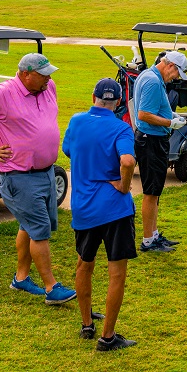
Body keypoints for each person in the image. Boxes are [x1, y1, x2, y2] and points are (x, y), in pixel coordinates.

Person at [0, 52, 76, 306]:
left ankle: (21, 278)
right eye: (42, 75)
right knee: (40, 232)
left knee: (28, 226)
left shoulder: (48, 87)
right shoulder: (1, 94)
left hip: (45, 172)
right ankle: (51, 287)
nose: (48, 79)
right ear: (25, 74)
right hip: (19, 176)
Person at [63, 78, 139, 351]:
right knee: (116, 272)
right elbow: (128, 160)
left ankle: (86, 324)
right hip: (115, 210)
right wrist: (123, 184)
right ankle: (107, 337)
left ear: (93, 96)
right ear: (118, 102)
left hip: (84, 208)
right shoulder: (122, 129)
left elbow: (69, 150)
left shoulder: (76, 121)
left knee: (85, 264)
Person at [132, 49, 187, 253]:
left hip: (153, 139)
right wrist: (170, 122)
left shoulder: (150, 76)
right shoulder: (153, 81)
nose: (175, 78)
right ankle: (148, 240)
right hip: (151, 141)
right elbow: (144, 114)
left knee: (156, 192)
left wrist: (172, 115)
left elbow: (155, 108)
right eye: (176, 73)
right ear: (170, 66)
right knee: (151, 192)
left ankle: (154, 235)